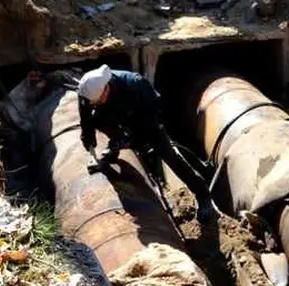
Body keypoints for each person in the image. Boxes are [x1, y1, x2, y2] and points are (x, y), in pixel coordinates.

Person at [77, 65, 215, 222]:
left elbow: (150, 121)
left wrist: (132, 140)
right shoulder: (88, 92)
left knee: (169, 156)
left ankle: (202, 194)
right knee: (99, 119)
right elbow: (86, 118)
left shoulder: (136, 86)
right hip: (115, 113)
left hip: (142, 118)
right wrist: (88, 138)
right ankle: (114, 145)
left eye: (96, 102)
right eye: (91, 103)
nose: (92, 105)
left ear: (106, 90)